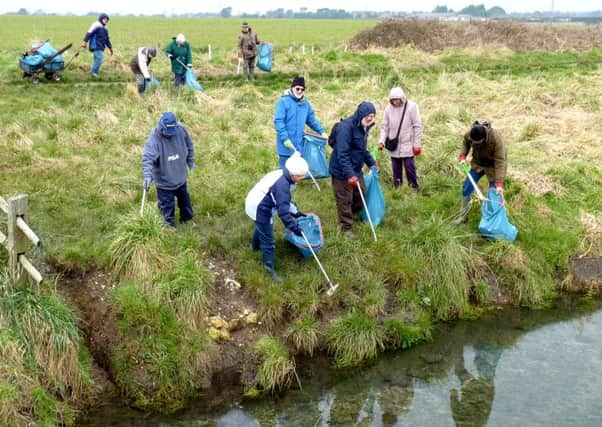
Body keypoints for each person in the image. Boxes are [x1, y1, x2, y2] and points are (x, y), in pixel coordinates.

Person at [245, 154, 309, 283]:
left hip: (257, 201)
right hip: (259, 207)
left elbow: (285, 201)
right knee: (269, 241)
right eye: (301, 176)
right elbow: (283, 212)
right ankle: (268, 268)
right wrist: (295, 228)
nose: (303, 178)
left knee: (261, 227)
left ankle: (254, 247)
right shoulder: (282, 185)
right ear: (294, 175)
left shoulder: (284, 174)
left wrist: (297, 213)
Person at [329, 102, 378, 238]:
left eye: (373, 116)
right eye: (368, 115)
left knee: (361, 193)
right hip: (341, 170)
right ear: (361, 114)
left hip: (356, 168)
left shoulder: (364, 127)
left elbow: (362, 149)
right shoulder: (345, 128)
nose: (370, 118)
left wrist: (372, 163)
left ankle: (350, 214)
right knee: (345, 198)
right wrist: (350, 175)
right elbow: (342, 154)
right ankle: (346, 227)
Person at [142, 112, 195, 226]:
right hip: (164, 182)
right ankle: (168, 225)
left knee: (185, 200)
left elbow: (189, 145)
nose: (170, 135)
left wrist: (191, 161)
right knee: (167, 205)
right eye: (167, 132)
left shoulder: (181, 130)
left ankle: (187, 219)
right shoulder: (154, 139)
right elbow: (147, 159)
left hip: (180, 177)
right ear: (161, 126)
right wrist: (147, 176)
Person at [453, 121, 507, 224]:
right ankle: (463, 217)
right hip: (478, 164)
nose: (474, 144)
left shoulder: (496, 139)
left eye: (476, 143)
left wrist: (499, 184)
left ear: (483, 139)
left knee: (494, 194)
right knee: (467, 187)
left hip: (493, 166)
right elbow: (465, 142)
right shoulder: (471, 134)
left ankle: (492, 223)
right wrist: (462, 156)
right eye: (473, 142)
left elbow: (500, 161)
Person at [274, 76, 328, 169]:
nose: (299, 91)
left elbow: (311, 120)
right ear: (292, 88)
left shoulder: (305, 104)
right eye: (297, 88)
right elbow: (279, 121)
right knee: (284, 172)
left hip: (299, 146)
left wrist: (321, 131)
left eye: (302, 89)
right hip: (286, 145)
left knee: (296, 173)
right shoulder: (283, 101)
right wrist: (285, 139)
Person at [377, 87, 423, 191]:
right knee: (396, 169)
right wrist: (381, 141)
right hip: (394, 144)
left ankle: (414, 188)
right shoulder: (388, 109)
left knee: (409, 167)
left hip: (408, 144)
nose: (395, 102)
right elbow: (384, 127)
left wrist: (417, 144)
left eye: (397, 99)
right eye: (393, 100)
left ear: (402, 98)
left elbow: (418, 126)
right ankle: (398, 190)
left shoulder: (412, 107)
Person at [81, 13, 113, 77]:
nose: (105, 21)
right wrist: (84, 42)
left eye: (107, 20)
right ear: (101, 19)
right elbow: (89, 33)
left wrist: (110, 48)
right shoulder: (96, 25)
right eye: (104, 19)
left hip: (101, 46)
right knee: (99, 58)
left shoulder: (105, 28)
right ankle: (93, 73)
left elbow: (107, 40)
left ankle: (95, 73)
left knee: (97, 59)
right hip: (95, 45)